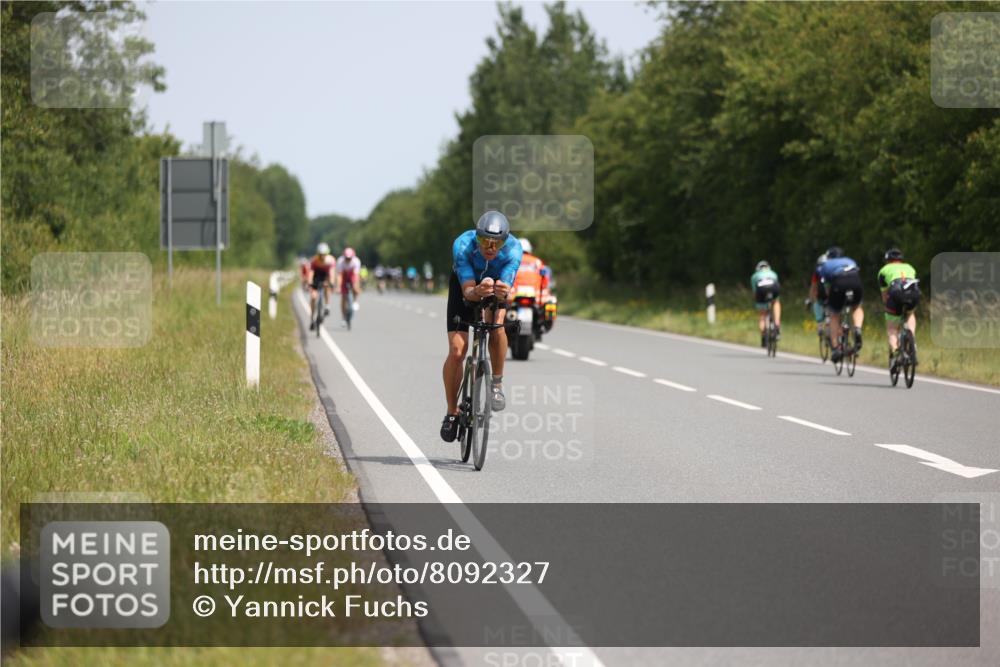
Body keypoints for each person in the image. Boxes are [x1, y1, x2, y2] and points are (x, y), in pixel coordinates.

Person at [440, 211, 523, 442]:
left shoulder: (514, 250)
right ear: (477, 238)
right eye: (485, 241)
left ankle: (496, 383)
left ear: (505, 241)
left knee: (497, 326)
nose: (490, 247)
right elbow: (467, 290)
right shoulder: (463, 245)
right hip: (464, 287)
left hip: (496, 286)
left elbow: (507, 286)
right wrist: (476, 291)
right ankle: (451, 411)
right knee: (457, 351)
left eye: (496, 242)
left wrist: (501, 291)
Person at [812, 246, 865, 363]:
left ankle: (836, 348)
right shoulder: (850, 260)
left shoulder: (827, 265)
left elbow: (826, 287)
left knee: (834, 314)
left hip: (839, 282)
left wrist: (830, 300)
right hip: (855, 281)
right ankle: (857, 329)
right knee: (856, 307)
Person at [877, 248, 920, 371]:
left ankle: (896, 354)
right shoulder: (910, 267)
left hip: (896, 293)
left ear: (887, 260)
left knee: (892, 328)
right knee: (910, 313)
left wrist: (888, 308)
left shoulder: (883, 271)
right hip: (913, 293)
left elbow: (885, 295)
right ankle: (912, 339)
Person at [750, 260, 781, 346]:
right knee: (776, 302)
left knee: (762, 316)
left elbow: (755, 292)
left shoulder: (754, 276)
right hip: (773, 286)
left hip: (761, 289)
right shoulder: (773, 273)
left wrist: (759, 303)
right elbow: (777, 285)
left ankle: (764, 336)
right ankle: (777, 325)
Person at [308, 243, 335, 330]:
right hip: (316, 276)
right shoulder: (314, 260)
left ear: (327, 254)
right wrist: (310, 282)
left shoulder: (330, 260)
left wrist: (331, 282)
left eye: (324, 254)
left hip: (325, 276)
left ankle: (327, 306)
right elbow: (311, 273)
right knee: (313, 297)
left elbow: (331, 273)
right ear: (318, 254)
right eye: (320, 254)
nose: (322, 256)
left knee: (327, 287)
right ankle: (312, 318)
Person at [336, 247, 362, 325]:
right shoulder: (340, 261)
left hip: (352, 275)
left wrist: (356, 287)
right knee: (343, 296)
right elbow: (339, 276)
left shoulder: (356, 261)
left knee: (355, 288)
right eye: (346, 258)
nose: (348, 260)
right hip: (344, 276)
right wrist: (338, 287)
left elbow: (356, 276)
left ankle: (355, 300)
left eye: (349, 258)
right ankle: (343, 318)